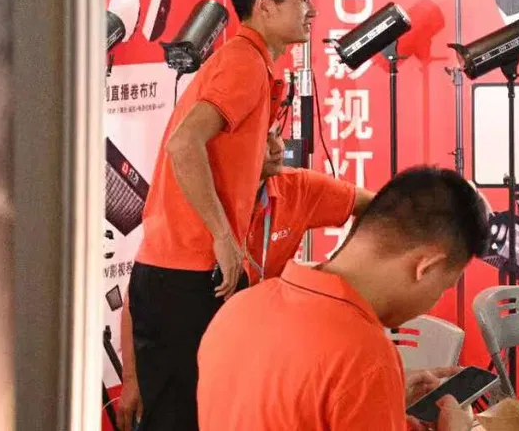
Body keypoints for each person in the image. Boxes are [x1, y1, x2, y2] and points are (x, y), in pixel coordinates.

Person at [129, 0, 316, 431]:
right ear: (265, 6)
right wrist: (222, 236)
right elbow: (184, 144)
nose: (312, 10)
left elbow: (207, 150)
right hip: (188, 275)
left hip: (176, 272)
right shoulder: (243, 63)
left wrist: (257, 164)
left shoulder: (248, 64)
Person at [197, 166, 490, 430]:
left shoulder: (239, 308)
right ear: (425, 266)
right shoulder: (364, 355)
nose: (435, 300)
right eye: (444, 286)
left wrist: (381, 406)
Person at [116, 131, 374, 430]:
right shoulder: (195, 197)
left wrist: (339, 268)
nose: (278, 148)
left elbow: (378, 207)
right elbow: (143, 291)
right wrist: (132, 380)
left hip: (255, 362)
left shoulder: (299, 188)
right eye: (263, 138)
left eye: (277, 135)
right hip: (187, 355)